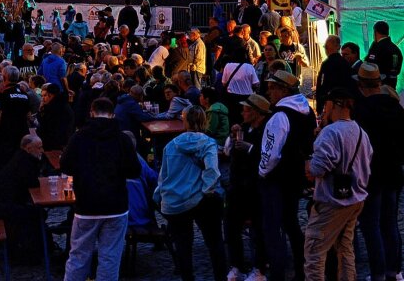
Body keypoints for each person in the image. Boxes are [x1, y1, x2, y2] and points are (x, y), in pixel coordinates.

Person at [60, 98, 141, 281]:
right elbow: (135, 170)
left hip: (86, 205)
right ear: (112, 114)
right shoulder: (122, 139)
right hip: (116, 205)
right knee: (110, 258)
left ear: (92, 112)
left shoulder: (79, 137)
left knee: (79, 257)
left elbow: (65, 165)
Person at [303, 88, 372, 281]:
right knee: (345, 248)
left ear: (333, 104)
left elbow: (316, 170)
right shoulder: (360, 132)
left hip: (332, 202)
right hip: (355, 199)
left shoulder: (330, 132)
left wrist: (310, 157)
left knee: (314, 252)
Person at [153, 106, 227, 281]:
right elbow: (212, 170)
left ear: (185, 121)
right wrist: (208, 190)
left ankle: (188, 277)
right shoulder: (208, 143)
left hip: (176, 200)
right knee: (215, 243)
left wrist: (158, 196)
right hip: (201, 198)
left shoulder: (171, 145)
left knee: (183, 246)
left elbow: (164, 174)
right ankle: (220, 276)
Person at [259, 70, 316, 281]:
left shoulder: (280, 116)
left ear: (283, 90)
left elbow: (271, 152)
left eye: (273, 87)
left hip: (277, 178)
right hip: (295, 175)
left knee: (273, 227)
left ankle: (278, 272)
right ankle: (301, 269)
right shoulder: (307, 111)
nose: (269, 91)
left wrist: (262, 172)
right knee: (291, 222)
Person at [353, 61, 404, 281]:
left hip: (371, 174)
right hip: (393, 172)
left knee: (371, 226)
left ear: (362, 85)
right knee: (390, 223)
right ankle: (394, 270)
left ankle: (379, 273)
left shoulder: (361, 110)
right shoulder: (396, 108)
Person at [223, 94, 271, 281]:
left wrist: (250, 148)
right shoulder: (241, 128)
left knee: (258, 230)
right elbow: (227, 151)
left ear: (256, 113)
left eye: (246, 109)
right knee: (231, 227)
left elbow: (269, 155)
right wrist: (231, 135)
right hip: (236, 186)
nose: (242, 112)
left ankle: (259, 269)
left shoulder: (266, 131)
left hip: (255, 187)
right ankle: (236, 266)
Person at [0, 134, 45, 265]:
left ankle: (38, 248)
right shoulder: (26, 163)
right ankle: (32, 251)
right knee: (36, 214)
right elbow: (32, 184)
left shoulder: (20, 158)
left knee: (35, 212)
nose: (42, 151)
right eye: (39, 148)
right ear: (28, 149)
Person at [315, 35, 352, 114]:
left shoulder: (326, 64)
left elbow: (321, 85)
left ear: (327, 48)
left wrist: (319, 107)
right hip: (344, 103)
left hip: (329, 104)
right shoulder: (345, 63)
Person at [366, 20, 402, 89]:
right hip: (392, 88)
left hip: (378, 87)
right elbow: (396, 70)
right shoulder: (396, 49)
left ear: (375, 32)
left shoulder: (377, 47)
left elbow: (370, 65)